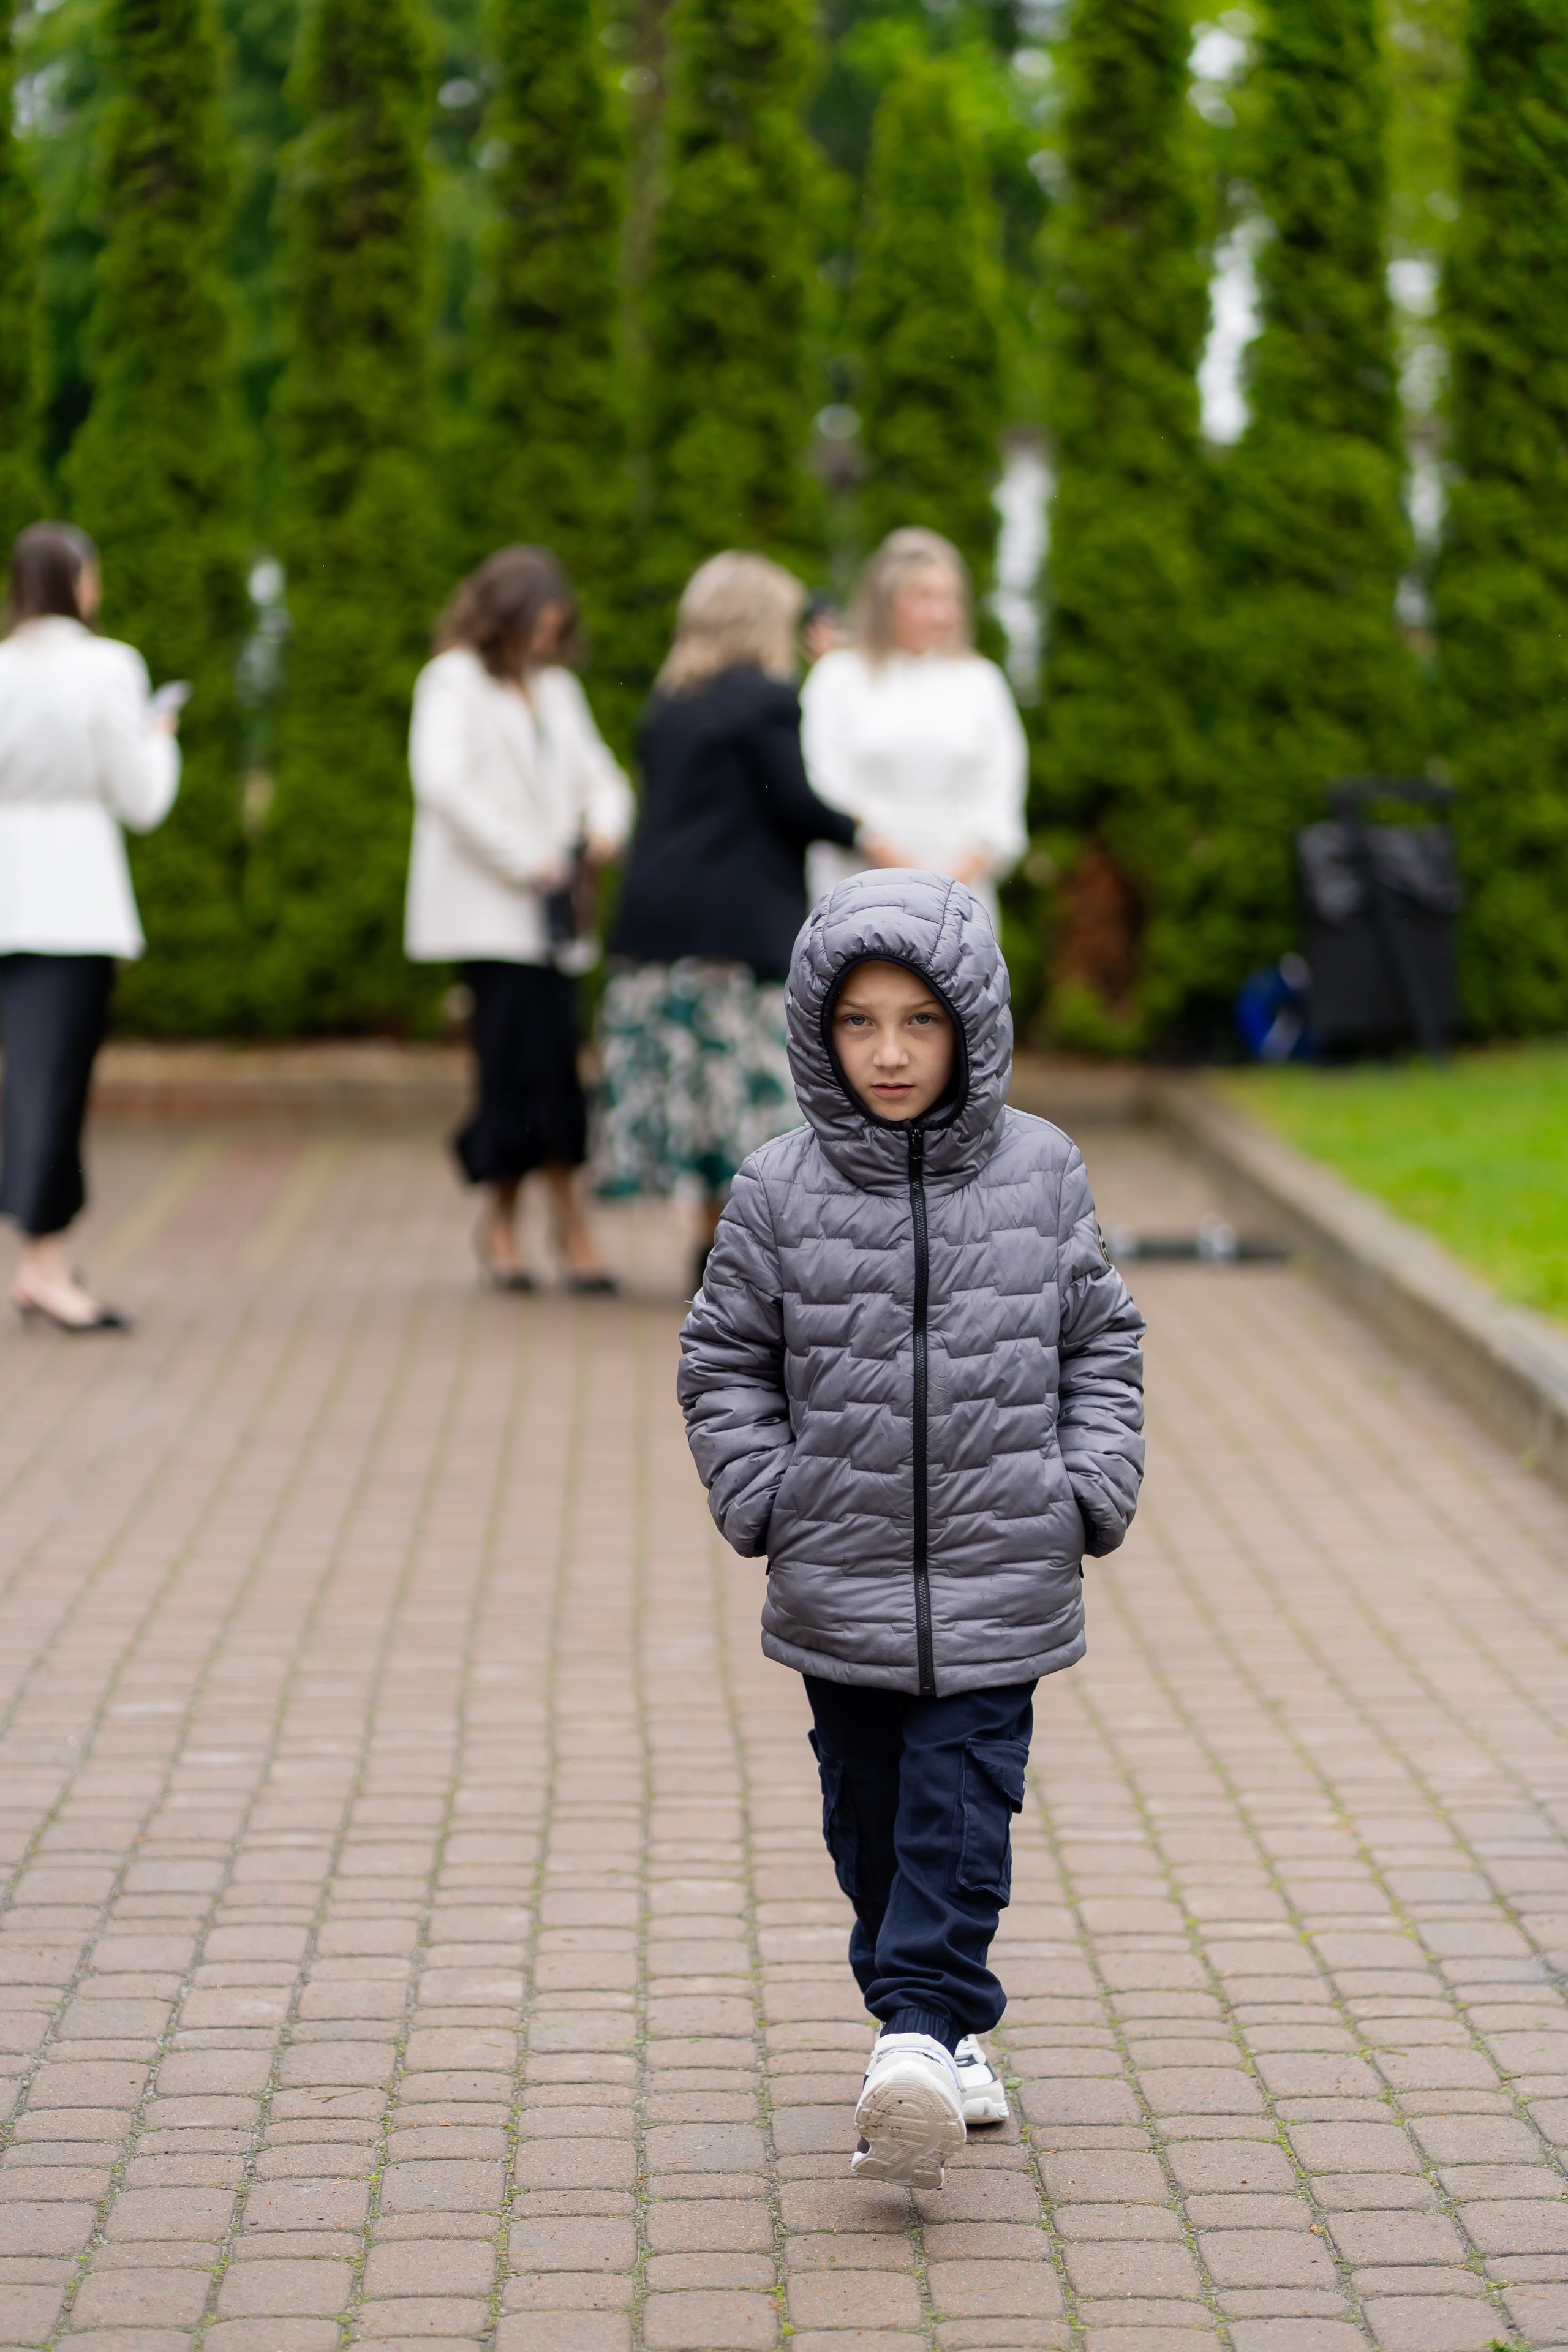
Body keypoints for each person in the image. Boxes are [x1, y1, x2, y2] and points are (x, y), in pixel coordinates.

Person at [677, 870, 1145, 2188]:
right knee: (872, 1826)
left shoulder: (1042, 1171)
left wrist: (1088, 1483)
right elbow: (722, 1362)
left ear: (973, 1027)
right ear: (817, 1034)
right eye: (860, 1024)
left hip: (1004, 1569)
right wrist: (763, 1493)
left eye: (919, 1023)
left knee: (960, 1808)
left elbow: (1099, 1340)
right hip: (839, 1576)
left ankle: (919, 2032)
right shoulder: (775, 1190)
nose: (889, 1053)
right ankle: (935, 2030)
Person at [598, 551, 891, 1289]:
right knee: (744, 1092)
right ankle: (743, 1255)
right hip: (733, 923)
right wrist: (864, 827)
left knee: (691, 1094)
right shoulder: (762, 697)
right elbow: (792, 802)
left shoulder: (668, 702)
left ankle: (710, 1239)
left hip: (657, 918)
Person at [407, 545, 633, 1292]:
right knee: (519, 1067)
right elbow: (444, 784)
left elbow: (598, 770)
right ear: (501, 617)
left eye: (554, 630)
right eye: (535, 627)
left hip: (556, 916)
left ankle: (518, 1211)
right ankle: (546, 1217)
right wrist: (527, 857)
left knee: (553, 1066)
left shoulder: (558, 688)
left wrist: (604, 825)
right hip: (491, 912)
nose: (544, 643)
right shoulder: (452, 682)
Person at [0, 521, 182, 1331]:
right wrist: (159, 741)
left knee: (24, 1086)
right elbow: (142, 799)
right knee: (54, 1088)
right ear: (80, 580)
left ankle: (46, 1260)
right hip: (73, 902)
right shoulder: (110, 667)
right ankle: (44, 1265)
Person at [801, 527, 1028, 930]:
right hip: (858, 893)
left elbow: (1002, 791)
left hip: (959, 904)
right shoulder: (838, 676)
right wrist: (904, 874)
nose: (941, 613)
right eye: (925, 597)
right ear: (886, 601)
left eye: (950, 598)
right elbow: (822, 780)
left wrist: (947, 886)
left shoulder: (981, 682)